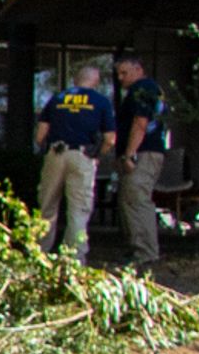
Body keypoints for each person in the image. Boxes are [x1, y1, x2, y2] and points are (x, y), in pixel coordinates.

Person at [34, 62, 110, 257]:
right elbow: (110, 138)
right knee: (78, 210)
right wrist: (97, 155)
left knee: (47, 206)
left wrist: (46, 150)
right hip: (82, 155)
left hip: (56, 153)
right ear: (96, 82)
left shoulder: (57, 98)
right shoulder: (101, 102)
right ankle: (73, 258)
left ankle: (40, 253)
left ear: (75, 80)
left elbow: (40, 135)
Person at [108, 52, 171, 268]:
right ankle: (138, 249)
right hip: (147, 152)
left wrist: (129, 154)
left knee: (136, 199)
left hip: (142, 153)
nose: (121, 78)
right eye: (118, 74)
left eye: (124, 72)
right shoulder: (152, 89)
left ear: (138, 69)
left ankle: (145, 252)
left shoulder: (142, 89)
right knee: (130, 199)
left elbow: (140, 122)